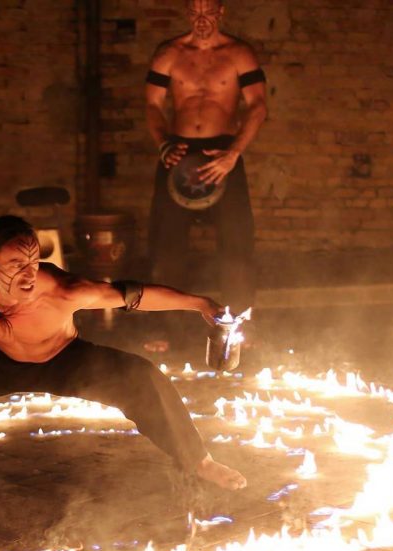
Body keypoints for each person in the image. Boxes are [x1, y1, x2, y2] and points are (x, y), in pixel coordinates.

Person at [0, 215, 248, 499]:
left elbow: (134, 295)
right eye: (16, 263)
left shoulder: (64, 289)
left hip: (64, 360)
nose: (29, 272)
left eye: (33, 260)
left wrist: (199, 304)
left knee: (143, 376)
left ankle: (200, 461)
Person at [144, 0, 267, 351]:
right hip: (178, 152)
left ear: (220, 12)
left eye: (208, 12)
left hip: (222, 154)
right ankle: (165, 327)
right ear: (186, 12)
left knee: (236, 245)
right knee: (166, 245)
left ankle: (240, 326)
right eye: (194, 12)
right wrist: (163, 144)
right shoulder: (169, 53)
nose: (201, 20)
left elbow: (258, 106)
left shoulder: (239, 53)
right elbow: (152, 105)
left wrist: (234, 153)